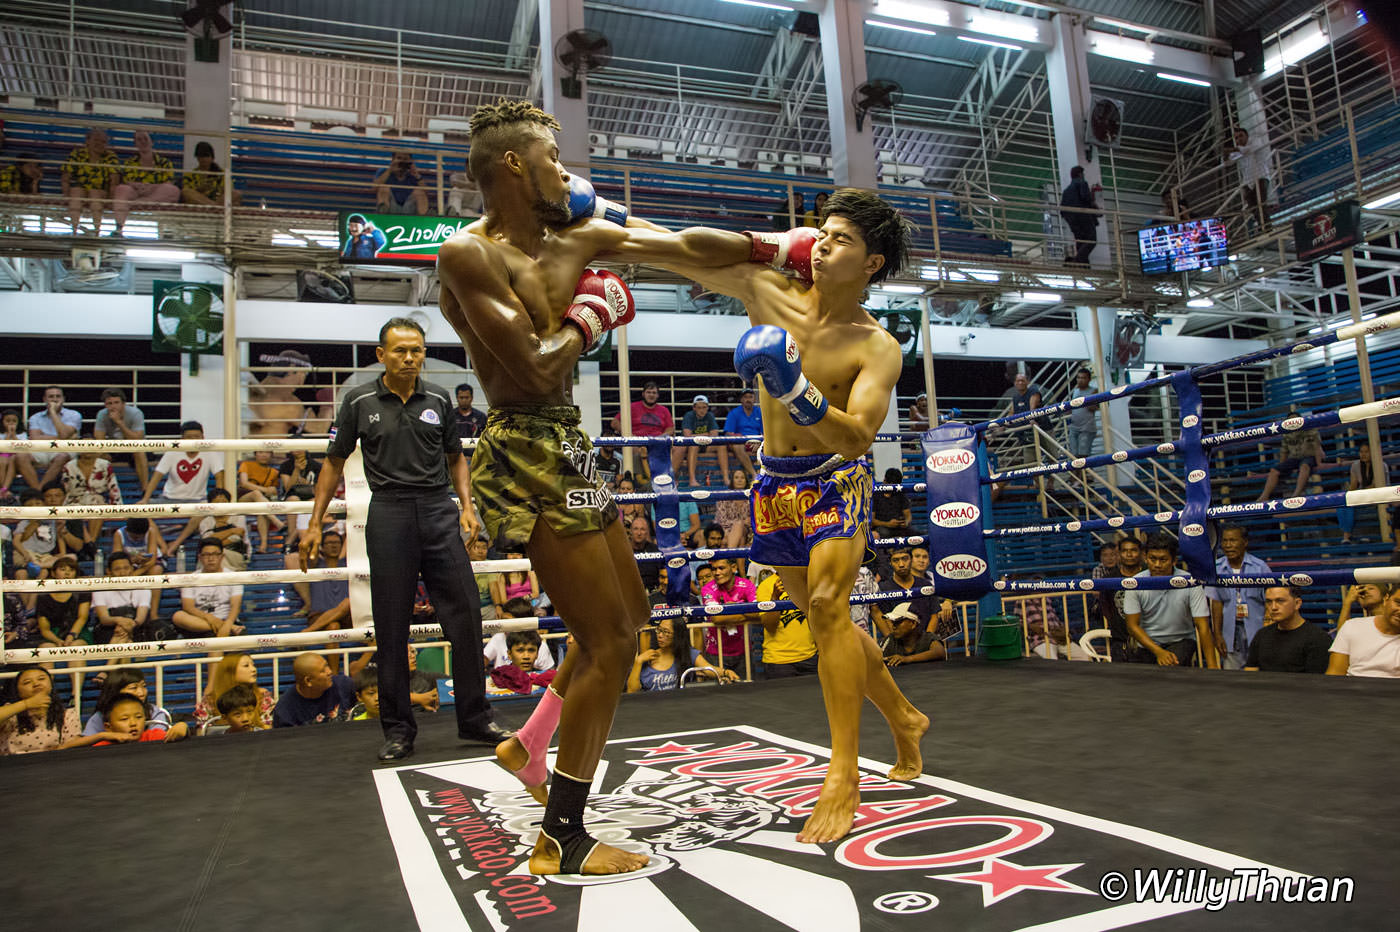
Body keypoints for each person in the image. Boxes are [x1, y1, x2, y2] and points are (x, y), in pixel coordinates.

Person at [433, 97, 761, 875]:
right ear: (515, 164)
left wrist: (780, 250)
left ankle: (532, 740)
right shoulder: (467, 254)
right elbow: (535, 367)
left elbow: (679, 243)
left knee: (634, 614)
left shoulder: (576, 232)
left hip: (571, 447)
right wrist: (592, 315)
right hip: (523, 446)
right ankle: (562, 838)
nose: (565, 172)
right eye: (552, 158)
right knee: (609, 641)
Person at [652, 187, 932, 843]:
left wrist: (794, 390)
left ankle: (843, 774)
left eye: (843, 238)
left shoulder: (879, 345)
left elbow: (859, 436)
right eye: (822, 233)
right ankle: (903, 715)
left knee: (833, 609)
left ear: (872, 262)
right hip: (774, 484)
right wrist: (595, 224)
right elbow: (680, 250)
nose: (823, 243)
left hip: (837, 481)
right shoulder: (772, 292)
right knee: (823, 618)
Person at [302, 317, 506, 762]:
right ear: (382, 355)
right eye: (400, 350)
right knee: (391, 628)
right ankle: (398, 730)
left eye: (417, 350)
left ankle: (475, 717)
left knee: (468, 617)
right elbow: (333, 462)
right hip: (389, 512)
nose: (410, 357)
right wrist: (315, 522)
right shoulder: (358, 400)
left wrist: (467, 507)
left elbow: (456, 458)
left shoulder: (438, 397)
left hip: (437, 511)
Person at [1122, 534, 1218, 668]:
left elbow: (1203, 626)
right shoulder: (1135, 583)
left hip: (1181, 641)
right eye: (1152, 559)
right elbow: (1132, 626)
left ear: (1174, 561)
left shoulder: (1190, 582)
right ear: (1145, 558)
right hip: (1147, 644)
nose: (1157, 565)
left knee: (1171, 665)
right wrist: (1158, 651)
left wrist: (1213, 667)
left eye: (1163, 560)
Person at [1205, 524, 1272, 668]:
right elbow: (1216, 603)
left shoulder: (1260, 567)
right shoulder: (1216, 569)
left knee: (1262, 673)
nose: (1228, 545)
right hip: (1230, 632)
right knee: (1232, 677)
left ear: (1245, 542)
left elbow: (1271, 602)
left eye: (1233, 540)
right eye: (1225, 541)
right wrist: (1217, 635)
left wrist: (1268, 634)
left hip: (1258, 629)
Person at [0, 667, 96, 754]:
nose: (36, 684)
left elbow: (72, 745)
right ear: (18, 691)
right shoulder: (10, 712)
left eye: (41, 679)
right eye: (27, 682)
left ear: (51, 686)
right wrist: (26, 704)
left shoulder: (67, 714)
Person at [1243, 586, 1332, 674]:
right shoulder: (1262, 635)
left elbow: (1317, 683)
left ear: (1297, 604)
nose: (1273, 607)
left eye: (1280, 601)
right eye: (1269, 602)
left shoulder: (1318, 638)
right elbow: (1250, 673)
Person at [81, 668, 186, 739]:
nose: (141, 693)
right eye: (133, 688)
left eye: (143, 686)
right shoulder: (99, 717)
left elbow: (159, 739)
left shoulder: (153, 712)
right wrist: (103, 736)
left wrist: (183, 726)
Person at [139, 420, 224, 506]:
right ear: (182, 439)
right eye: (189, 437)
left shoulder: (210, 453)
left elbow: (219, 476)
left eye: (197, 437)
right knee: (141, 510)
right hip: (169, 500)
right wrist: (145, 499)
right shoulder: (172, 452)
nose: (193, 440)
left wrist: (218, 499)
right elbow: (157, 477)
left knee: (210, 508)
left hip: (199, 501)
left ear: (203, 438)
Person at [113, 128, 180, 235]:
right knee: (121, 189)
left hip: (156, 192)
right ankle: (119, 228)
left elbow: (169, 182)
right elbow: (127, 181)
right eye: (139, 139)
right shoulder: (130, 162)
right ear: (135, 143)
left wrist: (152, 187)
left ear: (152, 142)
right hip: (136, 192)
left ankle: (143, 201)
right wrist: (138, 186)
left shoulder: (164, 163)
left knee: (173, 190)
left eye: (145, 138)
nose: (143, 141)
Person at [172, 538, 244, 637]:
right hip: (200, 622)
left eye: (215, 554)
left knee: (216, 640)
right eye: (206, 555)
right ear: (200, 557)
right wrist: (211, 619)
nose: (211, 559)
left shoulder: (233, 576)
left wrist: (228, 623)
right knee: (178, 616)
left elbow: (235, 606)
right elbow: (188, 607)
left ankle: (227, 627)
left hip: (227, 619)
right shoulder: (191, 578)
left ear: (222, 556)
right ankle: (231, 628)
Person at [698, 557, 757, 675]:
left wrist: (734, 606)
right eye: (714, 569)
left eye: (721, 568)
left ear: (734, 568)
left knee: (748, 689)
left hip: (743, 650)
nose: (717, 573)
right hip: (716, 652)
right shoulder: (708, 588)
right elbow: (716, 618)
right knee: (719, 692)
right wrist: (745, 610)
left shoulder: (747, 585)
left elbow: (757, 614)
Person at [16, 385, 81, 493]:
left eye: (58, 396)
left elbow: (64, 435)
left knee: (62, 456)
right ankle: (38, 491)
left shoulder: (74, 415)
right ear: (44, 399)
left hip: (63, 449)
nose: (55, 399)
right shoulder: (35, 417)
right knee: (20, 456)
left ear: (63, 399)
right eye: (51, 397)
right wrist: (62, 437)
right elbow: (34, 438)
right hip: (41, 449)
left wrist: (53, 413)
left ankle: (39, 492)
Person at [1326, 585, 1400, 677]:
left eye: (1371, 588)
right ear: (1386, 599)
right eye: (1398, 603)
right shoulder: (1352, 626)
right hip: (1351, 689)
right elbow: (1335, 674)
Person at [755, 572, 819, 678]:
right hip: (779, 660)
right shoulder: (766, 585)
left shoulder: (806, 581)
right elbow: (770, 626)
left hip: (810, 656)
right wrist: (775, 598)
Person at [61, 448, 122, 557]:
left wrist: (117, 507)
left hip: (97, 499)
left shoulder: (104, 465)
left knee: (96, 508)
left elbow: (113, 486)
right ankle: (91, 547)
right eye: (83, 445)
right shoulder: (69, 466)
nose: (87, 448)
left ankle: (90, 544)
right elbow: (66, 489)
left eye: (90, 445)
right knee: (74, 510)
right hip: (75, 500)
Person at [194, 652, 275, 732]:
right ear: (229, 671)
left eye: (253, 665)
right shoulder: (209, 701)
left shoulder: (263, 697)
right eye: (246, 666)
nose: (254, 669)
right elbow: (202, 733)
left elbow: (268, 731)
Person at [272, 652, 357, 726]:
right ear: (308, 681)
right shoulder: (284, 711)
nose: (330, 672)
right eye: (323, 671)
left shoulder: (344, 685)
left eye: (327, 665)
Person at [61, 127, 120, 233]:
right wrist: (65, 196)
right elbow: (66, 177)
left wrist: (110, 200)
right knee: (76, 192)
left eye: (103, 141)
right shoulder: (77, 154)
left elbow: (114, 181)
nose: (100, 144)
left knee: (94, 194)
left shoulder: (110, 156)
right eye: (96, 140)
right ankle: (74, 229)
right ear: (88, 141)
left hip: (100, 190)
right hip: (81, 187)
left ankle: (97, 229)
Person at [92, 387, 150, 490]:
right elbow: (99, 439)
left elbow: (137, 439)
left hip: (133, 447)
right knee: (97, 453)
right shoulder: (102, 414)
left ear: (123, 403)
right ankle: (99, 488)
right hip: (114, 447)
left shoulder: (135, 413)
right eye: (109, 403)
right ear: (105, 405)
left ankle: (145, 489)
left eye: (116, 402)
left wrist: (119, 423)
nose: (113, 406)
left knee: (139, 451)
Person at [91, 552, 151, 646]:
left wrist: (126, 626)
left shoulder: (143, 587)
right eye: (117, 569)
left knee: (124, 638)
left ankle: (110, 661)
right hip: (108, 630)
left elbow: (140, 619)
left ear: (132, 568)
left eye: (126, 568)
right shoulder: (99, 588)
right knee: (125, 641)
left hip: (135, 629)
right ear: (109, 571)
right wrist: (119, 621)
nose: (122, 573)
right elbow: (104, 618)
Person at [35, 556, 92, 648]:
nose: (67, 573)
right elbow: (45, 629)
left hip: (78, 633)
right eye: (63, 569)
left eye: (71, 570)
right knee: (45, 648)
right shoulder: (43, 597)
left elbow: (82, 618)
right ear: (53, 573)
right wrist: (57, 641)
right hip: (53, 635)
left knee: (76, 646)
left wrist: (71, 636)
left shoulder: (83, 592)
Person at [1256, 425, 1325, 502]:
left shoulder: (1310, 431)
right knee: (1274, 470)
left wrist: (1319, 463)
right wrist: (1281, 466)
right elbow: (1284, 451)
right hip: (1294, 459)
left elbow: (1317, 447)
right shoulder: (1287, 435)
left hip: (1309, 457)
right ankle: (1264, 497)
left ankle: (1296, 495)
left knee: (1304, 466)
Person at [237, 450, 287, 552]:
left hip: (262, 503)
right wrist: (265, 490)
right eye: (260, 452)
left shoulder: (274, 472)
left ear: (271, 455)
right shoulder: (246, 464)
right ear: (255, 454)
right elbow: (244, 483)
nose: (264, 455)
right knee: (256, 494)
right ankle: (278, 522)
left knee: (262, 511)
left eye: (267, 452)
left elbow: (273, 493)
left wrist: (272, 491)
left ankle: (263, 546)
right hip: (244, 499)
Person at [304, 528, 352, 632]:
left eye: (337, 543)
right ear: (322, 547)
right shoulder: (315, 565)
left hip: (347, 614)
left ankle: (305, 633)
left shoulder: (349, 565)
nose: (334, 546)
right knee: (333, 627)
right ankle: (307, 633)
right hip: (320, 614)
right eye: (329, 543)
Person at [1225, 127, 1271, 232]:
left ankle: (1266, 227)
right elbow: (1227, 162)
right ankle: (1262, 227)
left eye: (1241, 136)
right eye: (1236, 138)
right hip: (1247, 181)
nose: (1239, 139)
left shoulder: (1255, 141)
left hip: (1261, 176)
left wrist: (1233, 150)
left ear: (1246, 136)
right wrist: (1225, 154)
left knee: (1261, 203)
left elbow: (1250, 150)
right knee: (1252, 207)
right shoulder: (1237, 151)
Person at [678, 394, 728, 488]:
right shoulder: (689, 416)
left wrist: (700, 436)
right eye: (699, 407)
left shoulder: (709, 416)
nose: (702, 410)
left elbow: (714, 435)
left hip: (705, 445)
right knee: (694, 444)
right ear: (694, 408)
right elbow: (687, 436)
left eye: (704, 407)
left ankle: (726, 478)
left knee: (721, 444)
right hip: (690, 446)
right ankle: (692, 480)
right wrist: (705, 434)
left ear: (707, 407)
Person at [1059, 165, 1100, 265]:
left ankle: (1083, 264)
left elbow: (1062, 208)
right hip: (1082, 215)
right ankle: (1077, 261)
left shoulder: (1066, 190)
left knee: (1080, 240)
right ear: (1080, 174)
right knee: (1091, 240)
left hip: (1070, 218)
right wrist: (1095, 208)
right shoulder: (1082, 183)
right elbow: (1085, 198)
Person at [181, 140, 239, 206]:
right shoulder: (190, 175)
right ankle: (214, 206)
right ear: (197, 158)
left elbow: (229, 190)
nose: (204, 159)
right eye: (201, 156)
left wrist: (221, 191)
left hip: (219, 200)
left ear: (212, 158)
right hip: (199, 201)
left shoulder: (222, 174)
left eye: (206, 156)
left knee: (236, 193)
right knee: (185, 192)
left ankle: (213, 206)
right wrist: (199, 189)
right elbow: (186, 192)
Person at [722, 387, 762, 478]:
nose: (748, 400)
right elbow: (728, 433)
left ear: (754, 399)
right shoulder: (734, 413)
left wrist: (759, 442)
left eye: (750, 397)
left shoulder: (759, 412)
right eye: (745, 397)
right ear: (741, 400)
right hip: (741, 443)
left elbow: (766, 433)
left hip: (757, 442)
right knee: (737, 444)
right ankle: (754, 474)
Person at [374, 150, 429, 215]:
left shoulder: (413, 174)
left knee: (419, 192)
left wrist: (416, 174)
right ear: (393, 160)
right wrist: (390, 170)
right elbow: (375, 188)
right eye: (399, 158)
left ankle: (424, 218)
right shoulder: (384, 171)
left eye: (405, 159)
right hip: (390, 206)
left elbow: (426, 192)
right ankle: (383, 214)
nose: (402, 161)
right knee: (383, 188)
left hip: (409, 206)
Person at [871, 468, 912, 540]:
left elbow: (908, 515)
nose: (893, 488)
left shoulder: (900, 494)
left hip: (899, 529)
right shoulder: (875, 495)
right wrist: (888, 524)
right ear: (885, 481)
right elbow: (872, 521)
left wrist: (906, 523)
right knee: (883, 533)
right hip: (882, 528)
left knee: (916, 535)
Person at [1066, 367, 1097, 458]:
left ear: (1089, 379)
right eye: (1078, 378)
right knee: (1073, 455)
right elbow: (1072, 408)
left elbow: (1095, 407)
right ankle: (1078, 472)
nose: (1080, 380)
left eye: (1083, 378)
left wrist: (1087, 402)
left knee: (1083, 455)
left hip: (1087, 427)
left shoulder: (1094, 391)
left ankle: (1086, 472)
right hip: (1074, 426)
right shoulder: (1075, 391)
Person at [0, 408, 20, 500]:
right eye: (7, 421)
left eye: (14, 421)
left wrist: (14, 435)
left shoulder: (22, 434)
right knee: (3, 461)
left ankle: (4, 489)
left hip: (16, 457)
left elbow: (21, 448)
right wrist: (8, 435)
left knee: (12, 459)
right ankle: (3, 489)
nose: (11, 423)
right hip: (3, 456)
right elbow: (3, 448)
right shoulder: (1, 435)